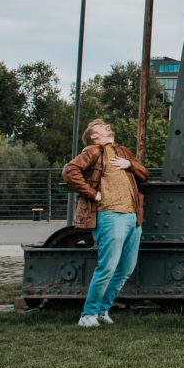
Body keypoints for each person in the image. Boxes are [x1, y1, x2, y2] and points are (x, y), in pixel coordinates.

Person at [62, 119, 148, 328]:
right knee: (107, 267)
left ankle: (102, 310)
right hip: (110, 216)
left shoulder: (122, 152)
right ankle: (87, 315)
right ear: (94, 135)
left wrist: (130, 164)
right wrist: (93, 194)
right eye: (102, 126)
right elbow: (69, 171)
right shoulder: (93, 151)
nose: (108, 126)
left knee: (126, 268)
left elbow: (144, 174)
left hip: (132, 218)